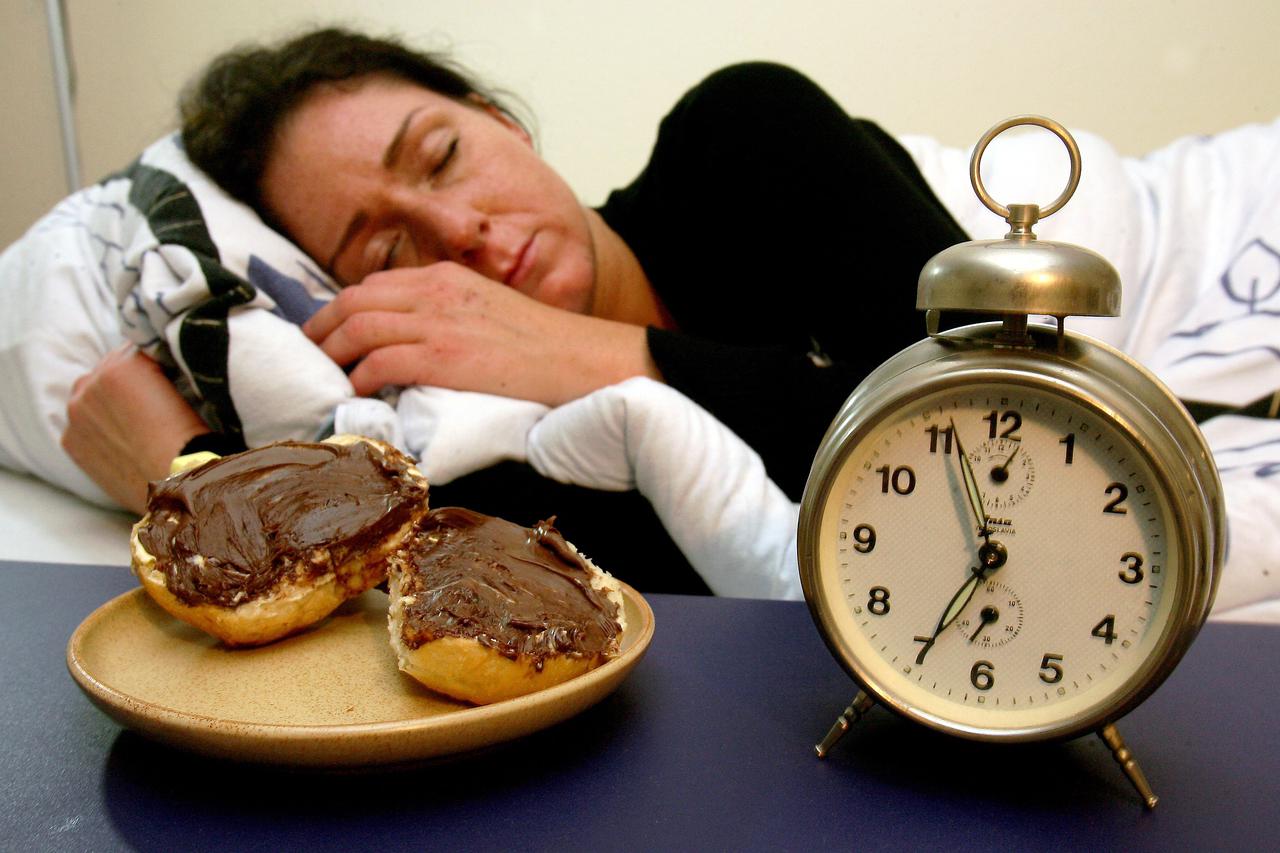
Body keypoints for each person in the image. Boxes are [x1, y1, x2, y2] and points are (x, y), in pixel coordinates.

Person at [60, 28, 972, 595]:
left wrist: (584, 351)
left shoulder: (744, 136)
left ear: (502, 120)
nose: (458, 230)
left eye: (443, 156)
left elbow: (994, 422)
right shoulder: (457, 428)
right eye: (386, 251)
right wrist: (180, 471)